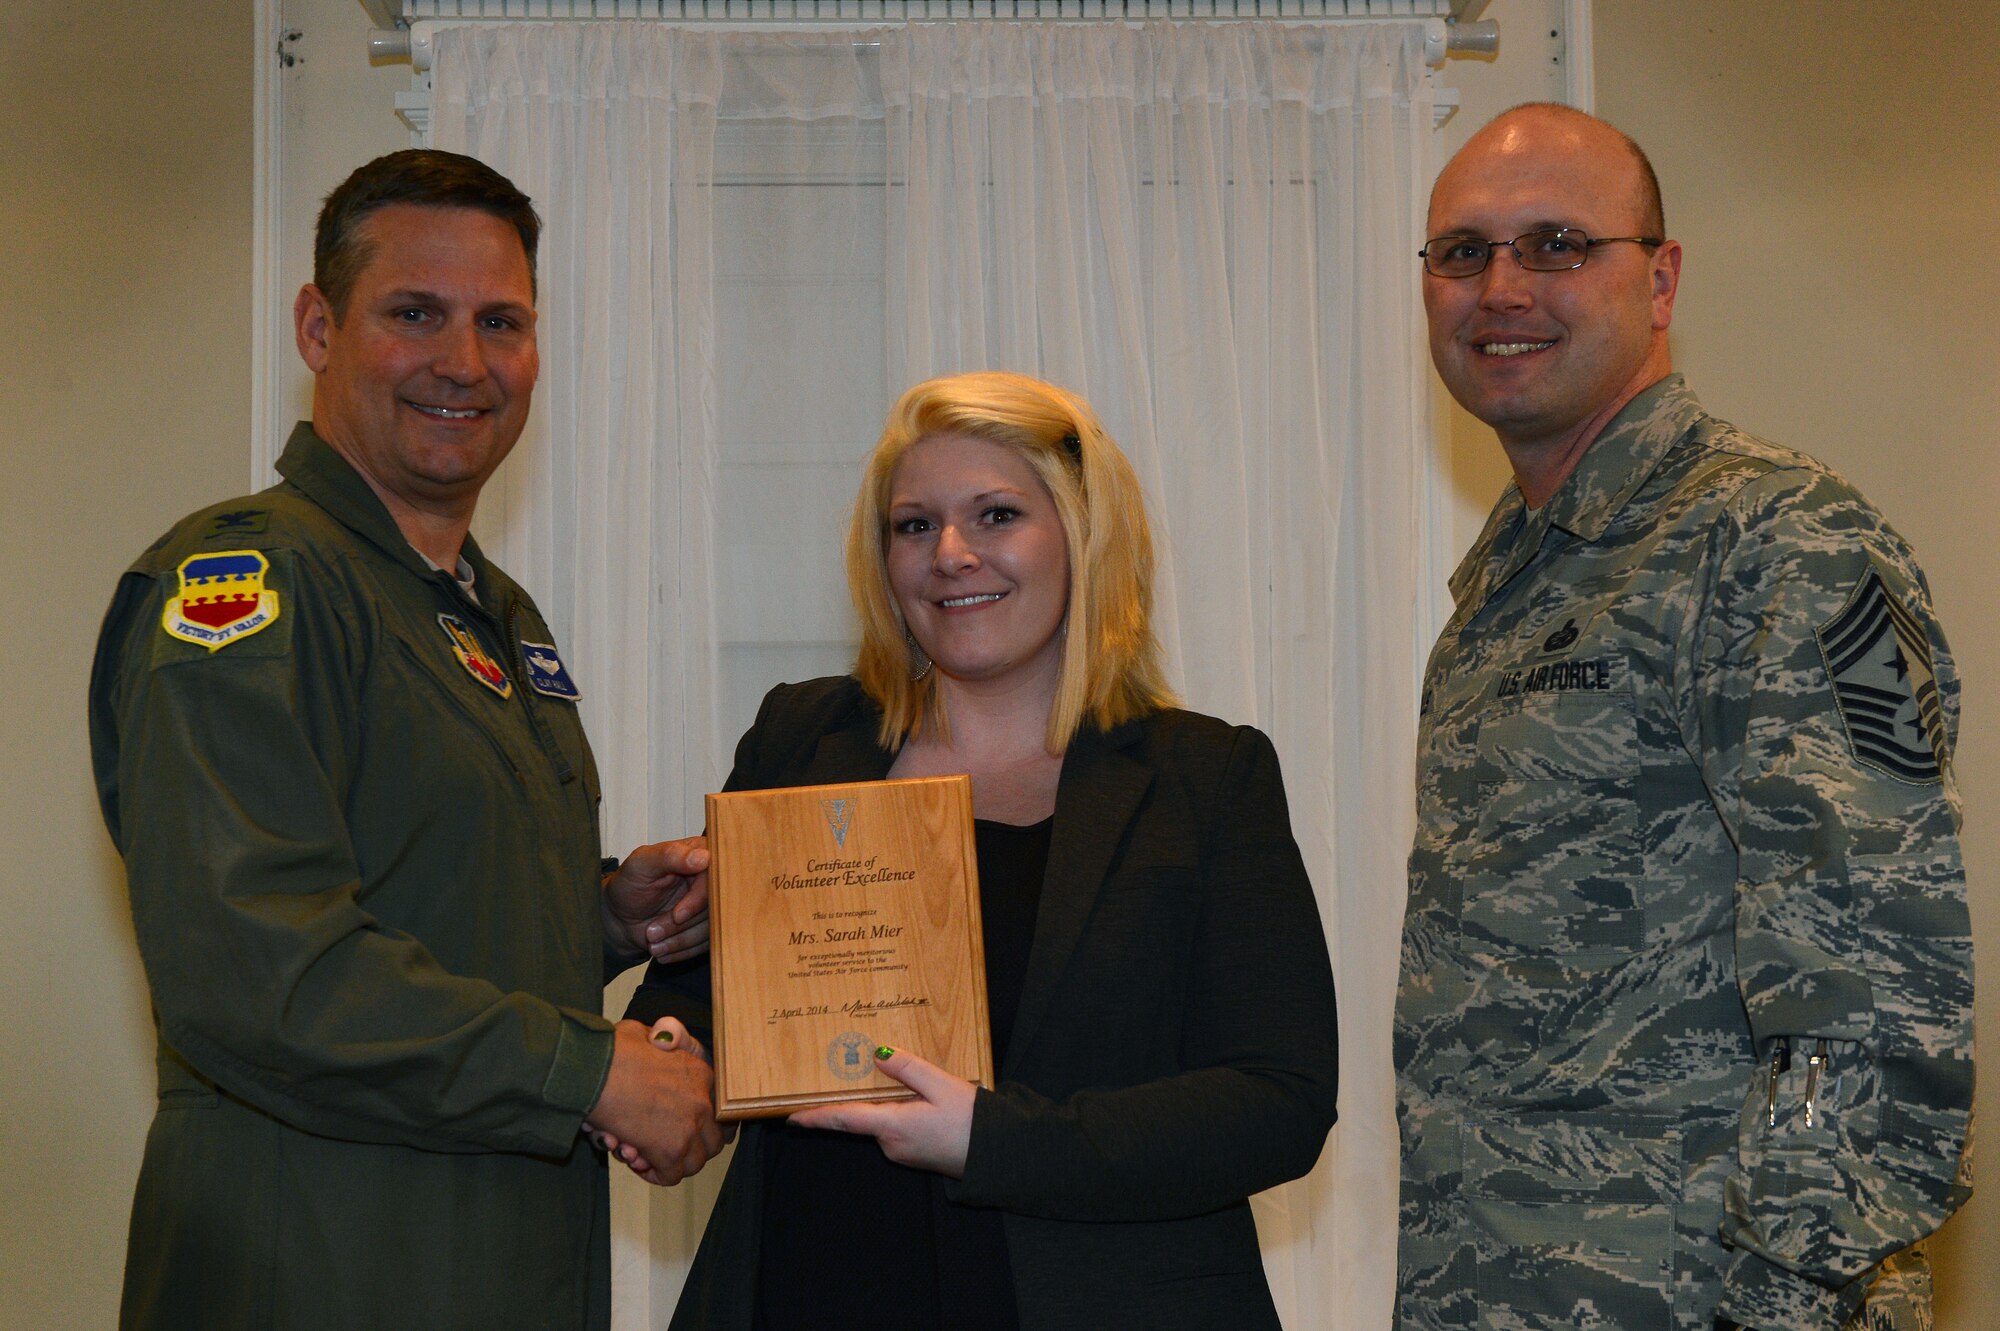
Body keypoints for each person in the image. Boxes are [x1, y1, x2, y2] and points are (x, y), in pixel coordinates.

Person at [88, 149, 724, 1331]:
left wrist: (603, 915)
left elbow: (416, 893)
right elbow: (257, 967)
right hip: (319, 1263)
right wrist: (587, 1068)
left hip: (498, 1258)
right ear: (317, 327)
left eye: (502, 321)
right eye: (414, 314)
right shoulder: (248, 583)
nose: (464, 363)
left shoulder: (491, 610)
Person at [1394, 104, 1972, 1330]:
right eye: (1461, 251)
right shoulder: (1504, 585)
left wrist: (1790, 1294)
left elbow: (1871, 968)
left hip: (1706, 1296)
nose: (1500, 286)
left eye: (1555, 243)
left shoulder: (1775, 539)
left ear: (1656, 280)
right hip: (1504, 1284)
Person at [617, 371, 1340, 1329]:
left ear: (1083, 535)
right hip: (810, 1279)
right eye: (914, 526)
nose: (951, 554)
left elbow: (1277, 1101)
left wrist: (990, 1139)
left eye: (996, 514)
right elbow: (710, 990)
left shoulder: (1205, 777)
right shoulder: (803, 737)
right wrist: (670, 1051)